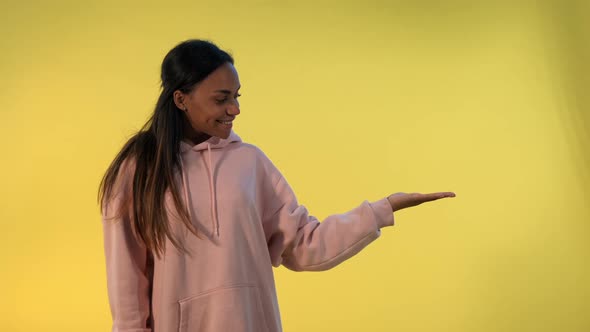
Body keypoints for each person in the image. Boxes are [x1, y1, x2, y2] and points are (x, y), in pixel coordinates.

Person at [99, 39, 455, 332]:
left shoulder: (250, 162)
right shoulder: (139, 169)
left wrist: (382, 209)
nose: (235, 109)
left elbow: (303, 244)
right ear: (181, 99)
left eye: (237, 96)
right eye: (222, 98)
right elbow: (127, 284)